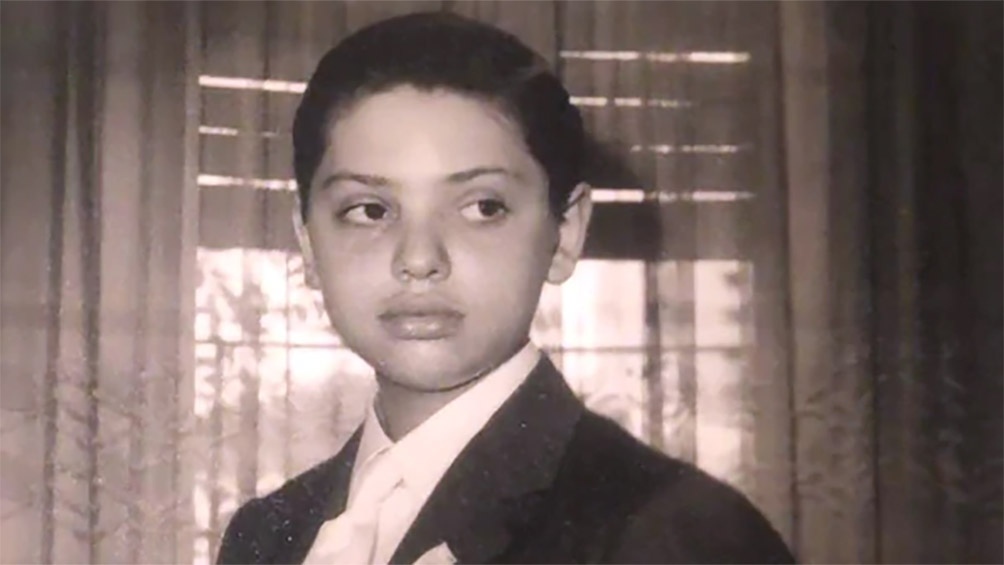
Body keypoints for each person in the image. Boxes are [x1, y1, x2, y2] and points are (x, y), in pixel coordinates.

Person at [217, 11, 796, 565]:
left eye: (483, 207)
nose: (418, 259)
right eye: (369, 210)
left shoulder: (677, 535)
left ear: (565, 233)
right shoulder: (265, 535)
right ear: (308, 243)